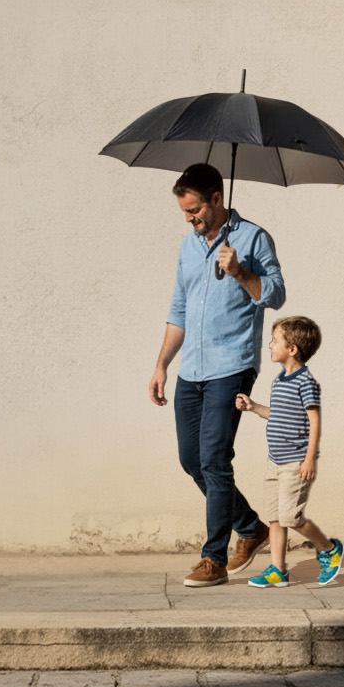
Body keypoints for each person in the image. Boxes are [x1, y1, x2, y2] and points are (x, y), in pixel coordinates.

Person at [149, 163, 287, 588]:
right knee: (192, 459)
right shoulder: (188, 249)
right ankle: (250, 526)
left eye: (195, 211)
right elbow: (179, 310)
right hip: (192, 367)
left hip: (233, 365)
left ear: (216, 199)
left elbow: (277, 295)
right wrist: (161, 365)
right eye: (184, 213)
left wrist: (242, 272)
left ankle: (214, 558)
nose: (190, 219)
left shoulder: (254, 238)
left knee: (214, 457)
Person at [235, 317, 344, 588]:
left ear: (292, 349)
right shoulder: (279, 381)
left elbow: (315, 422)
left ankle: (330, 548)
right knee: (274, 517)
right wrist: (254, 407)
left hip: (296, 463)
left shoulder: (306, 383)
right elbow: (278, 416)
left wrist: (309, 458)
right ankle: (278, 570)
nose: (270, 345)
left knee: (290, 517)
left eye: (275, 341)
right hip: (275, 462)